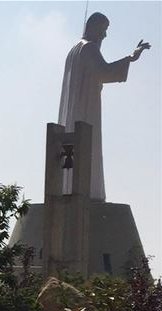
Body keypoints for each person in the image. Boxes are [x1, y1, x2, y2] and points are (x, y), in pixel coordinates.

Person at [58, 12, 150, 201]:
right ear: (93, 28)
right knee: (86, 148)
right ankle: (90, 193)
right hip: (84, 108)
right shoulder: (89, 48)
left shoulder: (74, 49)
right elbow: (104, 72)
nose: (105, 36)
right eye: (103, 30)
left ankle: (69, 188)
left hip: (73, 110)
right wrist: (131, 58)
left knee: (71, 152)